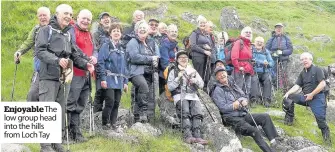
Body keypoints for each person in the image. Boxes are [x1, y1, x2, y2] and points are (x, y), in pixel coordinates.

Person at [35, 4, 94, 152]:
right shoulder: (46, 30)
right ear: (57, 14)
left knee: (60, 111)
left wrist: (86, 64)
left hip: (64, 78)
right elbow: (40, 51)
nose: (68, 16)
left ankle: (57, 143)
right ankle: (46, 146)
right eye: (65, 13)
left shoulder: (68, 33)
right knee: (48, 110)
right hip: (48, 77)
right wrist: (56, 60)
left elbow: (74, 54)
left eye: (70, 14)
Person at [211, 67, 283, 152]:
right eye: (219, 75)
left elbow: (243, 95)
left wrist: (243, 100)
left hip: (243, 114)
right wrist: (233, 106)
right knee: (254, 131)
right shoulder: (217, 90)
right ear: (217, 78)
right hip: (232, 118)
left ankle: (274, 141)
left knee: (265, 117)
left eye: (223, 73)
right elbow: (222, 108)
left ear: (226, 73)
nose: (222, 75)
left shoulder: (232, 84)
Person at [282, 52, 331, 145]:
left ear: (310, 59)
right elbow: (297, 86)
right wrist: (287, 93)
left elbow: (322, 84)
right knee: (289, 97)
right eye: (302, 59)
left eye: (306, 59)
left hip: (317, 98)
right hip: (306, 97)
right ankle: (289, 120)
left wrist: (312, 94)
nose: (304, 61)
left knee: (321, 121)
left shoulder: (317, 69)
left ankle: (327, 143)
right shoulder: (302, 73)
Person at [66, 9, 97, 143]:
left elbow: (95, 49)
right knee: (70, 103)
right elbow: (73, 51)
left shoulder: (89, 34)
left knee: (81, 103)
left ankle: (76, 132)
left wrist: (94, 58)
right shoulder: (72, 31)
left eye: (88, 20)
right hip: (74, 73)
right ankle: (66, 133)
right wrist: (85, 62)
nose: (85, 21)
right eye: (83, 18)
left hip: (87, 73)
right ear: (77, 18)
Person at [167, 51, 208, 145]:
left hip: (193, 95)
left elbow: (201, 85)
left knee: (197, 113)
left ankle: (197, 136)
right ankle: (188, 136)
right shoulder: (173, 71)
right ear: (177, 60)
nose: (183, 59)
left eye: (185, 57)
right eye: (181, 57)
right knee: (185, 112)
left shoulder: (192, 70)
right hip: (180, 95)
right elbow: (170, 87)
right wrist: (178, 78)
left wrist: (196, 81)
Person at [14, 6, 51, 102]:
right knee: (32, 94)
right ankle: (31, 115)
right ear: (37, 17)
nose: (43, 17)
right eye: (40, 15)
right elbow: (28, 42)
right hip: (39, 69)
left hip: (53, 68)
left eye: (45, 15)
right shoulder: (36, 29)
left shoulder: (55, 30)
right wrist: (19, 51)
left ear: (50, 16)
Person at [97, 23, 129, 130]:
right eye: (114, 31)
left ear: (121, 34)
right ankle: (105, 123)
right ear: (110, 34)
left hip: (119, 80)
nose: (116, 33)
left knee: (116, 103)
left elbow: (125, 67)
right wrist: (103, 79)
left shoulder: (122, 48)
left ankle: (113, 123)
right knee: (110, 101)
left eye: (118, 31)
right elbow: (100, 62)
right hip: (109, 78)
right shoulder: (106, 46)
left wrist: (125, 81)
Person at [127, 20, 159, 123]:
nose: (142, 30)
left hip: (149, 72)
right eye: (140, 28)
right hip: (136, 71)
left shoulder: (149, 43)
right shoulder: (133, 41)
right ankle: (143, 113)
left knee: (142, 93)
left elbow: (155, 57)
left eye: (144, 29)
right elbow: (134, 57)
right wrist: (151, 59)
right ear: (136, 31)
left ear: (147, 32)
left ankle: (137, 117)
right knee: (143, 87)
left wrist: (155, 61)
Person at [92, 12, 112, 113]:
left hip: (112, 66)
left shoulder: (112, 33)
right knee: (100, 90)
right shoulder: (96, 34)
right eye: (104, 18)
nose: (106, 19)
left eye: (108, 18)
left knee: (110, 91)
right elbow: (94, 49)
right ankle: (96, 112)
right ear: (100, 21)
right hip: (100, 65)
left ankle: (107, 114)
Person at [265, 23, 293, 91]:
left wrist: (282, 52)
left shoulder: (286, 39)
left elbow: (290, 50)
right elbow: (266, 50)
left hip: (284, 59)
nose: (279, 29)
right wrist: (273, 53)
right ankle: (274, 89)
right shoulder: (271, 39)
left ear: (282, 29)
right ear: (275, 29)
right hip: (273, 59)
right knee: (273, 75)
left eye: (280, 28)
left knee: (284, 75)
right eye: (277, 28)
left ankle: (284, 90)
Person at [250, 37, 274, 107]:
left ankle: (266, 100)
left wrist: (268, 64)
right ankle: (253, 100)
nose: (259, 43)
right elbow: (248, 59)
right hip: (254, 71)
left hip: (264, 71)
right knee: (254, 80)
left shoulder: (266, 52)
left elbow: (272, 62)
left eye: (261, 42)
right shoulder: (251, 50)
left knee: (268, 79)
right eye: (258, 41)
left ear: (263, 44)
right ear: (254, 42)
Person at [190, 15, 212, 89]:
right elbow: (193, 46)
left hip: (205, 58)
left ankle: (203, 92)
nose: (202, 24)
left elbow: (204, 44)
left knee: (204, 76)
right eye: (201, 23)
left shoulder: (205, 34)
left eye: (204, 23)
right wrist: (204, 51)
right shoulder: (194, 33)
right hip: (197, 57)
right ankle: (197, 90)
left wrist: (206, 47)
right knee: (199, 75)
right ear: (198, 23)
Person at [231, 26, 254, 97]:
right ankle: (237, 104)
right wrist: (238, 66)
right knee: (238, 88)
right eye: (246, 32)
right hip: (239, 69)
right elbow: (234, 57)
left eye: (250, 32)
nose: (248, 34)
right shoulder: (239, 42)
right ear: (242, 33)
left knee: (247, 88)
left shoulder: (248, 44)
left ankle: (245, 104)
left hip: (248, 69)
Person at [159, 24, 178, 95]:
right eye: (172, 31)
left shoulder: (175, 44)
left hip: (174, 71)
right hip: (164, 74)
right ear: (167, 33)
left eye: (176, 32)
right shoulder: (164, 44)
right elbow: (165, 63)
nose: (174, 33)